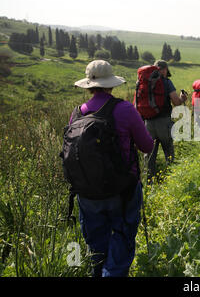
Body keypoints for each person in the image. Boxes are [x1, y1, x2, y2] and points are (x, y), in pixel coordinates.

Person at [63, 60, 154, 277]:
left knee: (96, 244)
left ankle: (98, 272)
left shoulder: (77, 114)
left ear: (89, 85)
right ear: (111, 84)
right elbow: (147, 146)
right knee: (122, 238)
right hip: (122, 191)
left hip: (86, 192)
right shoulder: (124, 109)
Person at [145, 60, 187, 182]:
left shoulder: (144, 82)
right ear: (164, 69)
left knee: (149, 155)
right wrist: (182, 98)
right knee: (169, 152)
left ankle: (149, 181)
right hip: (164, 121)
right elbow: (176, 102)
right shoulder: (166, 82)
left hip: (148, 123)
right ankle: (171, 181)